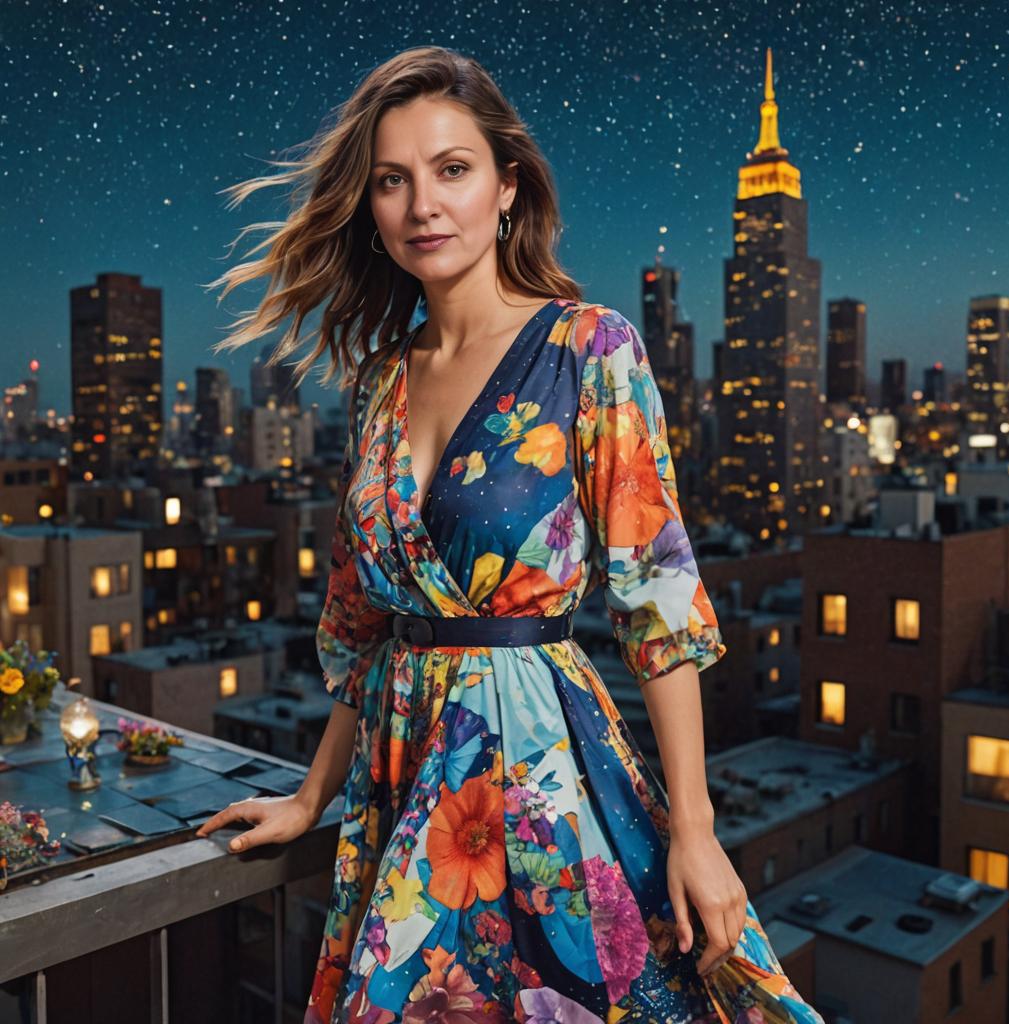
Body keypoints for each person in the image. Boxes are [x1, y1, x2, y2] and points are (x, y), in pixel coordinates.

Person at [195, 45, 824, 1024]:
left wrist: (695, 829)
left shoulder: (588, 347)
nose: (422, 206)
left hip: (536, 768)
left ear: (506, 186)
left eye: (451, 170)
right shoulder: (378, 384)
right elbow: (366, 630)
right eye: (392, 182)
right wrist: (311, 797)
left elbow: (656, 603)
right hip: (400, 781)